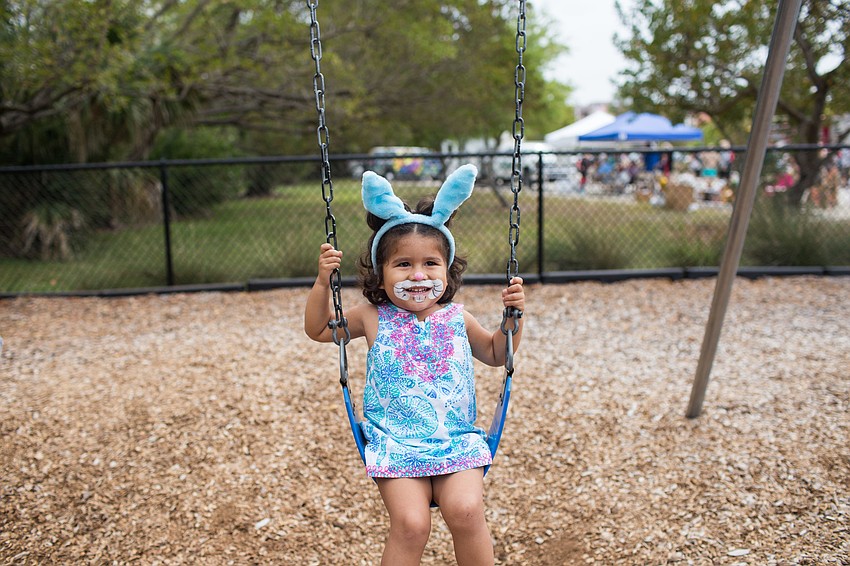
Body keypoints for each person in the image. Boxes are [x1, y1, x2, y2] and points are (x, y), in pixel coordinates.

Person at [304, 164, 525, 566]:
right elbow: (320, 329)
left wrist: (513, 319)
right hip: (394, 443)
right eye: (403, 264)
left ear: (448, 269)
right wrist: (323, 283)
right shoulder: (372, 316)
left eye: (430, 264)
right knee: (411, 524)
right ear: (381, 272)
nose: (418, 275)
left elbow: (497, 353)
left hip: (455, 439)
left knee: (467, 512)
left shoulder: (457, 317)